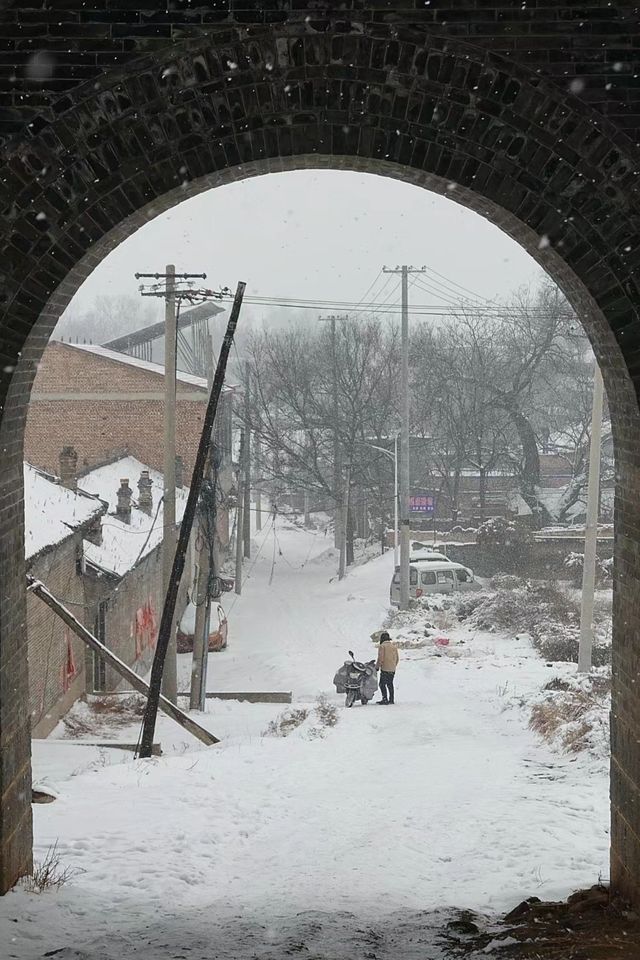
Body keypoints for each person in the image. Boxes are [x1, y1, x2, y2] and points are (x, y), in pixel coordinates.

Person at [376, 631, 399, 705]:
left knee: (382, 684)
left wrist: (377, 667)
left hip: (385, 668)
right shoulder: (394, 646)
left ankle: (384, 699)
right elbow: (397, 658)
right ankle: (391, 699)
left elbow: (381, 658)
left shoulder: (382, 646)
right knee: (390, 684)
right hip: (392, 668)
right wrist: (393, 665)